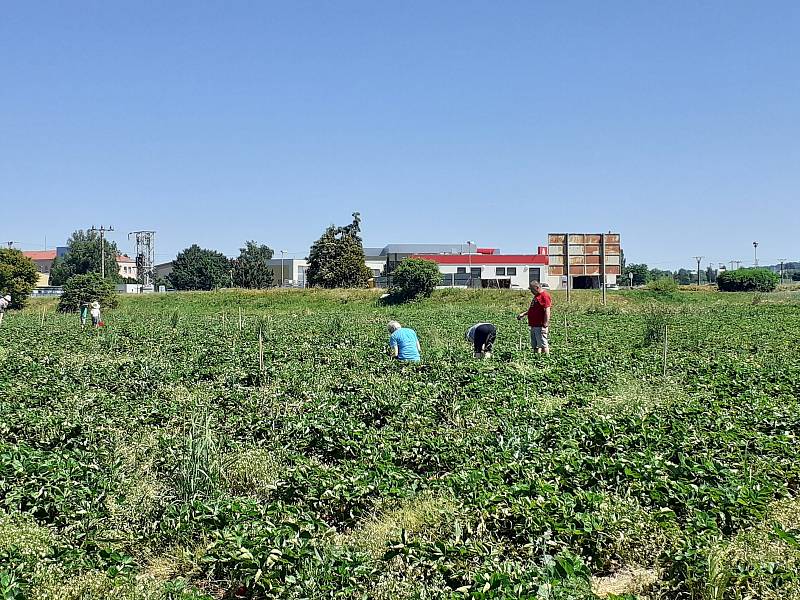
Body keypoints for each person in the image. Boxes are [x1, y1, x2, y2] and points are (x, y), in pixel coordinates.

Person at [517, 282, 551, 354]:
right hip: (534, 324)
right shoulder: (537, 296)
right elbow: (534, 309)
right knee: (535, 345)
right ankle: (537, 359)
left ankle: (547, 360)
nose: (531, 291)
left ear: (537, 288)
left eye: (532, 289)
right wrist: (524, 314)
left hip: (540, 325)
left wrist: (545, 324)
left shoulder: (544, 296)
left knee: (543, 344)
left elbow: (547, 310)